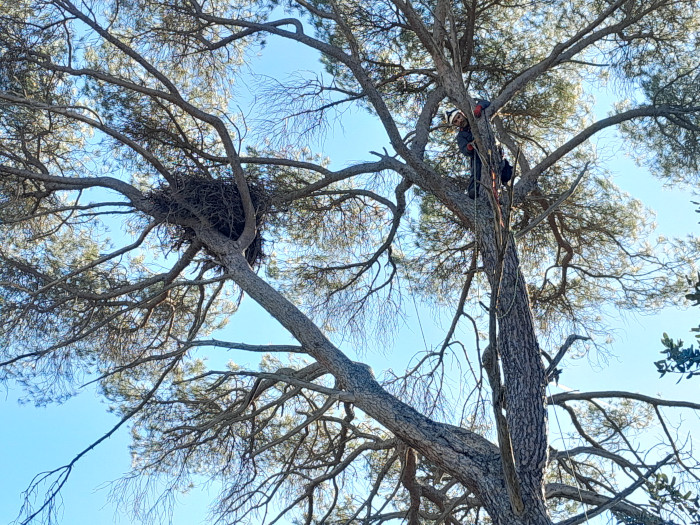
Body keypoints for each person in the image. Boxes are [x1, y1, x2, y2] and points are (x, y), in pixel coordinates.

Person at [445, 101, 513, 199]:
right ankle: (474, 192)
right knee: (476, 172)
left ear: (462, 114)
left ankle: (504, 183)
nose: (459, 121)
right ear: (455, 124)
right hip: (477, 155)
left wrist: (479, 107)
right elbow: (464, 150)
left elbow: (487, 103)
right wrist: (469, 147)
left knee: (502, 169)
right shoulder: (461, 136)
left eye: (458, 117)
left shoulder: (475, 117)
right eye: (455, 121)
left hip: (493, 149)